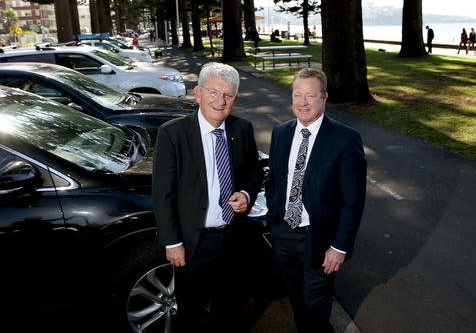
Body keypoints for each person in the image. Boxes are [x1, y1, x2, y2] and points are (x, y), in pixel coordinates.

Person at [152, 62, 263, 333]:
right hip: (193, 244)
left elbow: (254, 171)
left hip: (233, 240)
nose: (220, 100)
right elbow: (162, 193)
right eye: (213, 92)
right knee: (190, 314)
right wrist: (172, 242)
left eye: (227, 95)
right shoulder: (173, 133)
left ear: (234, 100)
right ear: (197, 93)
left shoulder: (242, 129)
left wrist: (247, 193)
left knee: (228, 311)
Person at [265, 68, 367, 333]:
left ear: (324, 98)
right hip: (283, 234)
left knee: (316, 309)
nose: (303, 102)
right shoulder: (281, 132)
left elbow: (352, 201)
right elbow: (274, 180)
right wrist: (273, 221)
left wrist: (339, 246)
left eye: (310, 95)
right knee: (297, 302)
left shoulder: (345, 139)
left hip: (319, 240)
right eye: (297, 95)